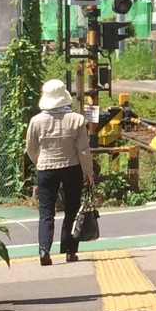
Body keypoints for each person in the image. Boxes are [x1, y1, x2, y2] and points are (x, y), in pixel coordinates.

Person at [25, 79, 95, 266]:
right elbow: (83, 150)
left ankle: (44, 250)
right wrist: (89, 173)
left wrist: (39, 161)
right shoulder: (77, 119)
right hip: (72, 168)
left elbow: (30, 148)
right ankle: (70, 251)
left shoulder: (36, 121)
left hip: (46, 169)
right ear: (64, 97)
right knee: (71, 209)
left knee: (46, 212)